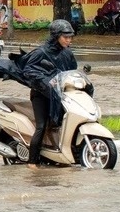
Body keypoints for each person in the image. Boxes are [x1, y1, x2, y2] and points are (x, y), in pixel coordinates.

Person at [19, 20, 81, 165]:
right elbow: (28, 70)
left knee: (63, 122)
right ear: (56, 36)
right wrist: (45, 81)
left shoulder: (68, 54)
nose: (69, 40)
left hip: (61, 95)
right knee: (42, 126)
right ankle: (32, 162)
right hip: (41, 95)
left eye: (70, 37)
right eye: (66, 37)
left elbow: (72, 71)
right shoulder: (41, 52)